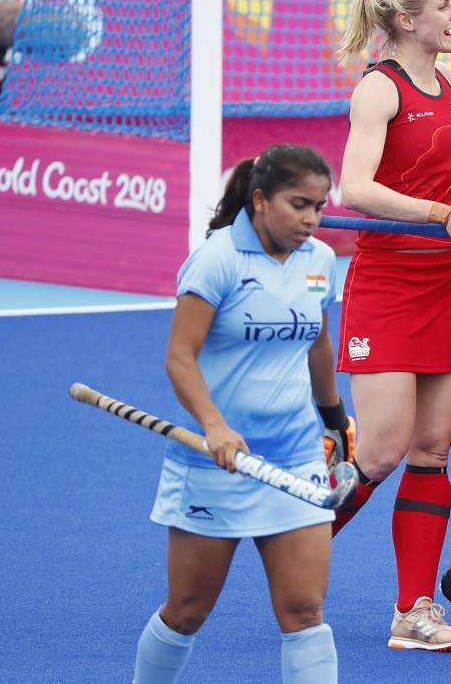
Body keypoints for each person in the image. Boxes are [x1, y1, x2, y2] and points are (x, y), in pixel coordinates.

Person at [331, 0, 451, 652]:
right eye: (445, 6)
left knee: (432, 449)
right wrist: (441, 210)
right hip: (387, 283)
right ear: (407, 20)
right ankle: (296, 544)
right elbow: (355, 188)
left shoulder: (445, 85)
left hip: (445, 284)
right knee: (379, 452)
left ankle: (414, 611)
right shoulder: (380, 86)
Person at [138, 144, 345, 683]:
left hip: (295, 461)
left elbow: (318, 344)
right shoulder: (216, 260)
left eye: (320, 207)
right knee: (187, 611)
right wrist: (214, 426)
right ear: (259, 199)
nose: (311, 219)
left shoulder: (319, 261)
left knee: (305, 612)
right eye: (299, 204)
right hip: (215, 464)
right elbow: (180, 357)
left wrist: (335, 418)